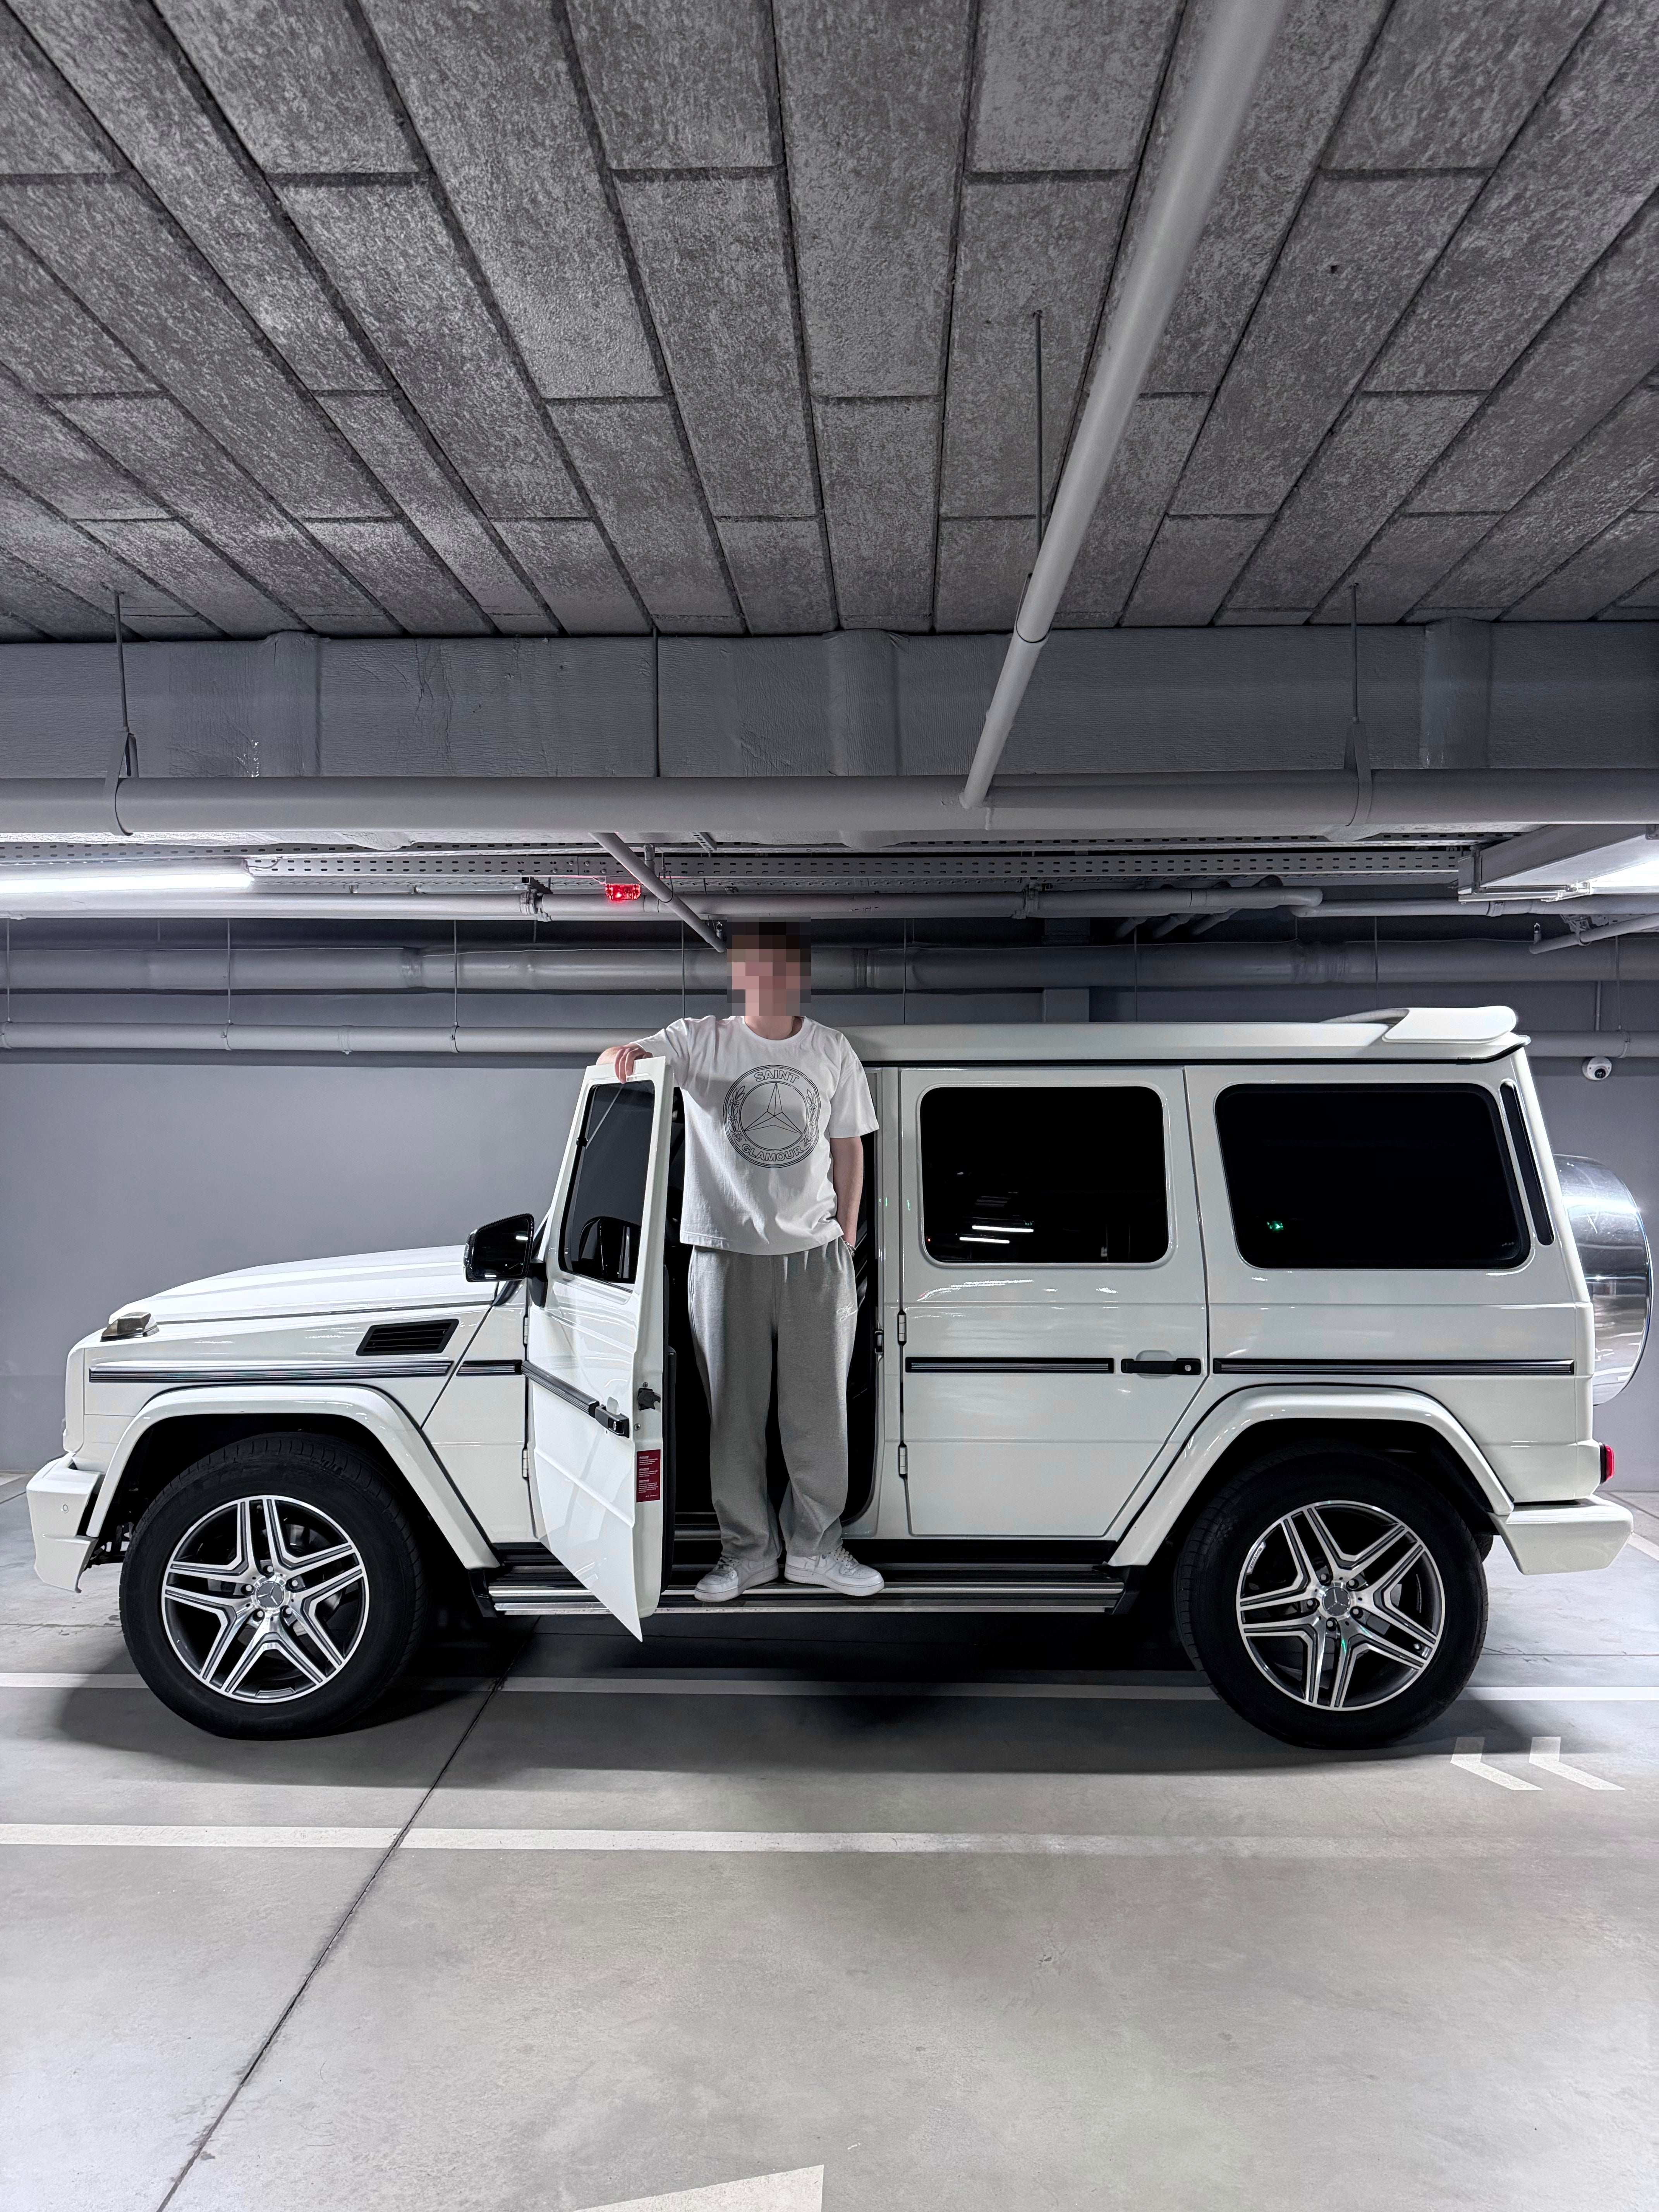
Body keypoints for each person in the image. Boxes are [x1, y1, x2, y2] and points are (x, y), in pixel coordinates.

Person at [598, 924, 884, 1604]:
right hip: (724, 1258)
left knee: (818, 1417)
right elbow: (632, 1054)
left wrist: (845, 1234)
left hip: (815, 1258)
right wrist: (620, 1051)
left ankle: (819, 1549)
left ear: (798, 977)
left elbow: (849, 1148)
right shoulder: (701, 1039)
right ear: (741, 977)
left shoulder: (830, 1048)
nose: (769, 981)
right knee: (733, 1416)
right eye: (756, 969)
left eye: (781, 969)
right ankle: (746, 1555)